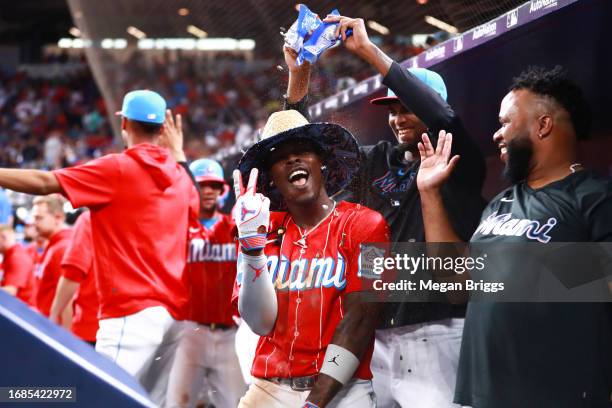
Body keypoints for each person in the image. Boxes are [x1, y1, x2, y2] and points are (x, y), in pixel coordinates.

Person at [285, 14, 486, 407]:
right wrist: (299, 78)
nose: (397, 119)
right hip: (375, 340)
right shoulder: (374, 162)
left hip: (438, 334)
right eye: (392, 111)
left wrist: (367, 51)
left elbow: (444, 118)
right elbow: (298, 150)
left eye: (407, 108)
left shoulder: (458, 159)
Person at [416, 66, 612, 407]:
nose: (496, 134)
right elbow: (456, 285)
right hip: (483, 395)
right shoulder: (500, 204)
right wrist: (429, 195)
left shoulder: (595, 195)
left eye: (505, 121)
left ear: (543, 124)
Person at [0, 89, 199, 406]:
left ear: (124, 126)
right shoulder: (180, 176)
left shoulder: (117, 168)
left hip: (130, 314)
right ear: (164, 129)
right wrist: (179, 157)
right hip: (174, 319)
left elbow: (43, 182)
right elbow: (196, 207)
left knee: (96, 399)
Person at [233, 109, 389, 408]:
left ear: (322, 163)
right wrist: (251, 250)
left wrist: (314, 403)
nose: (293, 159)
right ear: (272, 178)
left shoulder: (369, 225)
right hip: (269, 388)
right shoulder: (259, 228)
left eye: (303, 150)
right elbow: (260, 324)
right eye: (280, 156)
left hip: (343, 390)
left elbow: (360, 320)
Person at [166, 158, 247, 408]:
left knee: (238, 404)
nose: (209, 191)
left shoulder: (232, 227)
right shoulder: (178, 227)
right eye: (203, 185)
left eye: (214, 185)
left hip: (229, 336)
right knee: (176, 403)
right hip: (190, 333)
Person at [49, 210, 99, 345]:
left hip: (93, 327)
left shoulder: (91, 219)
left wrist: (54, 315)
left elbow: (73, 274)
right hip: (147, 325)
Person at [31, 195, 72, 318]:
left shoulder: (63, 247)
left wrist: (63, 336)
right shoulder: (53, 244)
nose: (34, 223)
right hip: (47, 322)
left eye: (39, 218)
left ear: (58, 218)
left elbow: (69, 300)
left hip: (54, 328)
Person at [0, 225, 36, 305]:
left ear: (3, 237)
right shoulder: (8, 256)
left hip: (21, 312)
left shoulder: (18, 257)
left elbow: (10, 291)